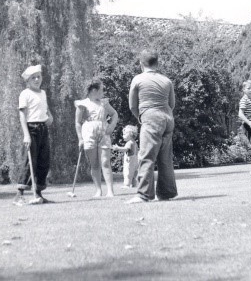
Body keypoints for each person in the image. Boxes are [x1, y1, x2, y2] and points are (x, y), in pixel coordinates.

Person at [127, 50, 177, 204]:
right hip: (167, 118)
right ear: (157, 63)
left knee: (147, 155)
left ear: (141, 64)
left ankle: (143, 195)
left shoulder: (138, 79)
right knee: (165, 158)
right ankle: (165, 194)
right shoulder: (166, 80)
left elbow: (132, 106)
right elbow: (172, 104)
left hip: (151, 116)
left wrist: (142, 117)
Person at [13, 65, 54, 206]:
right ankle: (19, 195)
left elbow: (45, 108)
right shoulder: (25, 94)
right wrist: (26, 135)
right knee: (29, 161)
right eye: (33, 78)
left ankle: (38, 193)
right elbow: (22, 115)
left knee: (43, 161)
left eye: (38, 77)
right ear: (28, 80)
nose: (37, 79)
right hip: (31, 128)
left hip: (43, 128)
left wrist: (50, 116)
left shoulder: (43, 93)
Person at [75, 79, 118, 197]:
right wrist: (80, 139)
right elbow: (78, 122)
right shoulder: (82, 104)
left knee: (105, 162)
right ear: (94, 90)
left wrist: (112, 126)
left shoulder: (104, 103)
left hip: (103, 132)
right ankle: (98, 190)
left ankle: (110, 191)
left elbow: (114, 114)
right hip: (89, 133)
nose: (103, 92)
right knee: (94, 164)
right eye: (101, 90)